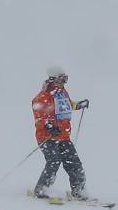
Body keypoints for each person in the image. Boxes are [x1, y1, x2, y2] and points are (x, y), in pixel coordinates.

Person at [31, 66, 90, 199]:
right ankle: (41, 190)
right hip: (48, 138)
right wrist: (49, 126)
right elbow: (39, 116)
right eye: (60, 79)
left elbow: (68, 105)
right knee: (54, 161)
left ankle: (79, 191)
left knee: (74, 163)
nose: (63, 82)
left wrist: (78, 105)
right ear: (52, 80)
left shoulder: (62, 92)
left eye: (65, 79)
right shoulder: (42, 97)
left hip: (63, 137)